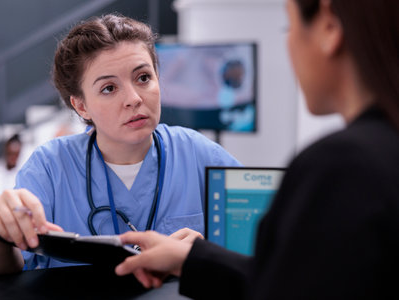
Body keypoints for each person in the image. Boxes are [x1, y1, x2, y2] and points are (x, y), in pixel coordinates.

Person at [115, 0, 399, 298]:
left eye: (289, 28)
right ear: (80, 105)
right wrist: (193, 259)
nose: (133, 99)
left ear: (329, 26)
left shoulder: (342, 167)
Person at [0, 14, 240, 274]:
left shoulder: (200, 155)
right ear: (81, 106)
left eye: (144, 78)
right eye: (109, 88)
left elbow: (261, 250)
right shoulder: (51, 165)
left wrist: (207, 255)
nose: (134, 98)